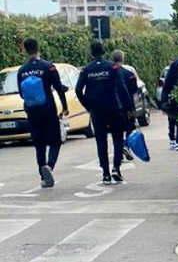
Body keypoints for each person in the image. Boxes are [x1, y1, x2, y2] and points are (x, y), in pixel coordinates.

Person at [75, 39, 134, 184]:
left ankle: (105, 174)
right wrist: (129, 109)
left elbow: (78, 90)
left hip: (96, 110)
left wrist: (87, 105)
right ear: (103, 51)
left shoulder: (86, 70)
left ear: (91, 53)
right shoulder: (113, 67)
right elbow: (122, 89)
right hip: (114, 108)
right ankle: (116, 168)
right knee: (117, 139)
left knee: (101, 142)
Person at [17, 37, 68, 189]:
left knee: (39, 144)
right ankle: (49, 166)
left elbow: (22, 94)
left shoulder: (22, 71)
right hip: (48, 109)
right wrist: (64, 107)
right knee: (55, 141)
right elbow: (58, 87)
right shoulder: (48, 67)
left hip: (32, 111)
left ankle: (43, 177)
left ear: (25, 50)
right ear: (38, 48)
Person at [111, 50, 138, 161]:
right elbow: (134, 89)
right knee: (130, 127)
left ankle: (119, 153)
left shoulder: (109, 74)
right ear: (123, 59)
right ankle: (126, 145)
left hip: (113, 106)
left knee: (116, 131)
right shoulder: (128, 73)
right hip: (127, 106)